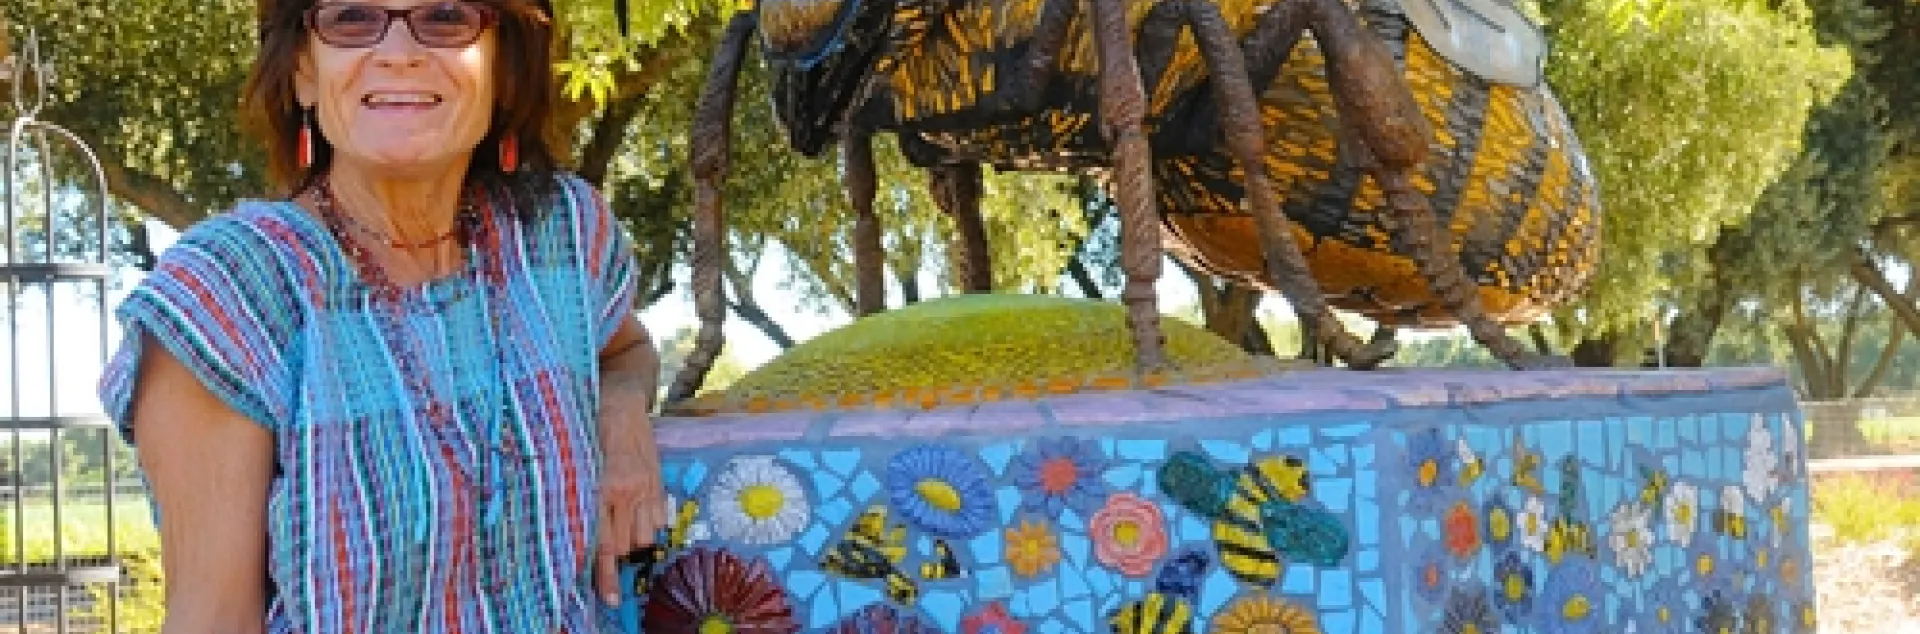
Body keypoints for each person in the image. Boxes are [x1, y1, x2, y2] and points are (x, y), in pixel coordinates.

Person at [95, 1, 669, 631]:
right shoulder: (231, 296)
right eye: (352, 18)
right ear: (303, 73)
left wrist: (622, 417)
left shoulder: (565, 235)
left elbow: (625, 352)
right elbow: (213, 617)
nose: (399, 52)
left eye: (447, 16)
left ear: (503, 66)